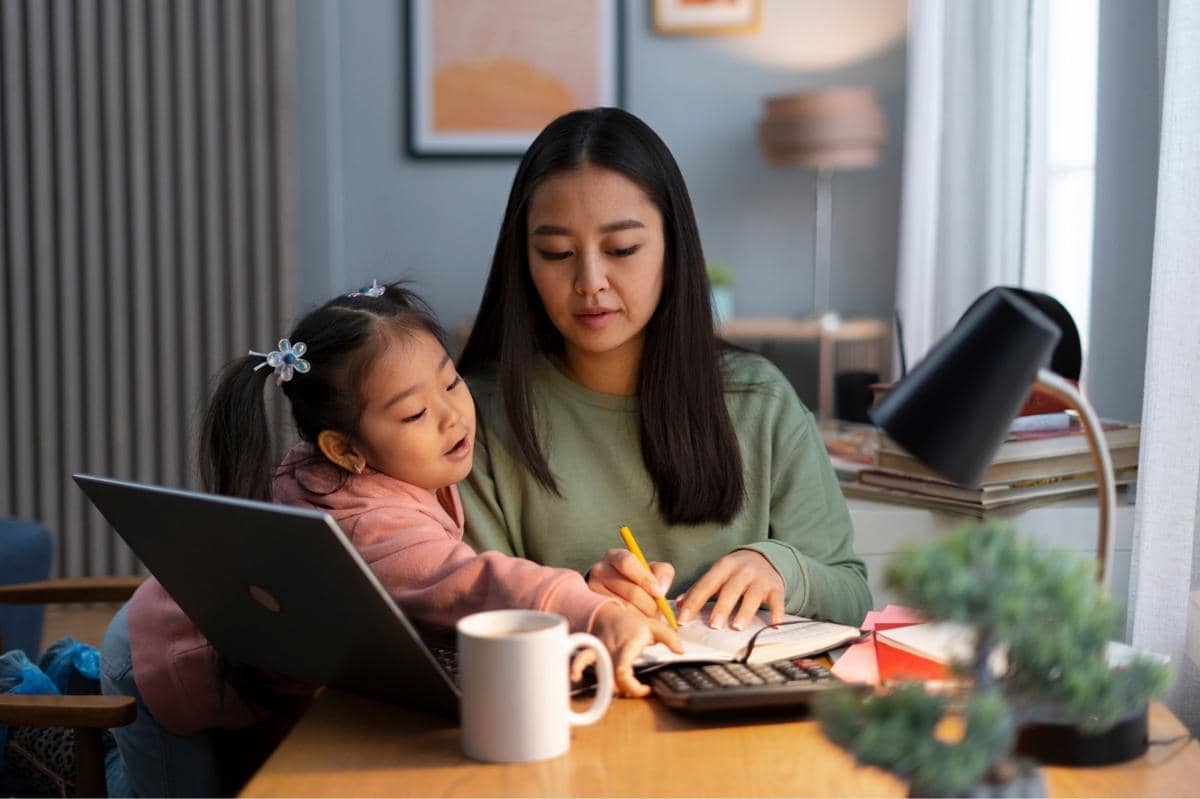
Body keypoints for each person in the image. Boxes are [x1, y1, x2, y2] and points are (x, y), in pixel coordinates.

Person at [101, 282, 680, 797]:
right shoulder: (364, 522)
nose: (453, 416)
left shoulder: (381, 469)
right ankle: (42, 745)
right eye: (414, 414)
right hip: (162, 664)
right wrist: (594, 613)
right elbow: (469, 581)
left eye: (451, 383)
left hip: (255, 661)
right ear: (344, 449)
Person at [458, 107, 872, 633]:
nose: (590, 281)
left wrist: (784, 569)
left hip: (739, 707)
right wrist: (579, 602)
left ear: (673, 251)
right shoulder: (477, 418)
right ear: (525, 260)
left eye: (622, 249)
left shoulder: (759, 401)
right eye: (556, 252)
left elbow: (854, 596)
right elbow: (469, 616)